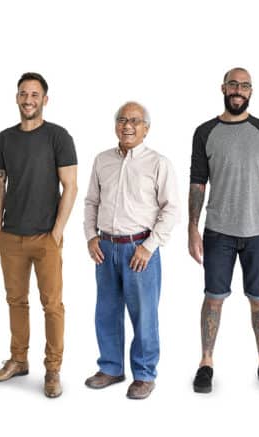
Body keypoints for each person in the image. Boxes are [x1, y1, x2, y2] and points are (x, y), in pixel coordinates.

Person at [187, 67, 259, 394]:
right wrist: (192, 227)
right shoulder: (205, 131)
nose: (238, 90)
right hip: (218, 231)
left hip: (258, 232)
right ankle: (206, 363)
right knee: (213, 299)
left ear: (251, 91)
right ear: (223, 88)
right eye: (233, 84)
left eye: (244, 85)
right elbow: (197, 183)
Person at [0, 72, 77, 398]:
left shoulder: (58, 136)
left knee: (52, 305)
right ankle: (18, 360)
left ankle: (53, 370)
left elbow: (70, 187)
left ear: (45, 100)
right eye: (23, 94)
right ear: (16, 98)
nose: (28, 100)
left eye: (35, 95)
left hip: (45, 238)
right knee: (15, 301)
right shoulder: (4, 138)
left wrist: (57, 232)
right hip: (11, 236)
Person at [83, 101, 180, 400]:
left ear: (146, 128)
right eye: (123, 120)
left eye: (135, 121)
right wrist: (90, 237)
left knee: (144, 315)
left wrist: (149, 247)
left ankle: (144, 374)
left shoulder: (158, 163)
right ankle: (111, 367)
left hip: (140, 250)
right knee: (107, 311)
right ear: (115, 125)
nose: (128, 125)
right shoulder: (102, 160)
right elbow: (91, 203)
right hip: (106, 248)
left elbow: (171, 208)